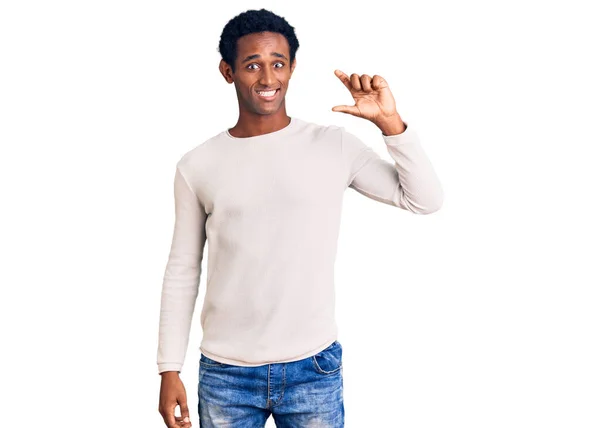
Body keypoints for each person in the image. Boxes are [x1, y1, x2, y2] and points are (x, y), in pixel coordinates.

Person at [157, 8, 443, 428]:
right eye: (252, 65)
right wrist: (169, 367)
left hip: (313, 368)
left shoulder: (332, 145)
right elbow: (182, 269)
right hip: (226, 373)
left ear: (292, 68)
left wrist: (389, 123)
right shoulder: (197, 165)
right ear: (227, 71)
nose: (268, 78)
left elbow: (425, 199)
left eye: (278, 63)